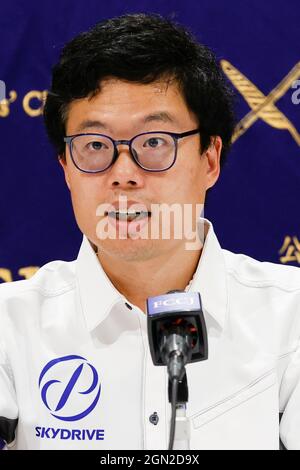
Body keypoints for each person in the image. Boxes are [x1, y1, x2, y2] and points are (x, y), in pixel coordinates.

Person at [0, 13, 299, 451]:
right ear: (66, 168)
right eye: (95, 146)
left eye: (154, 142)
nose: (123, 174)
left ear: (210, 160)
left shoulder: (291, 318)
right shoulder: (10, 324)